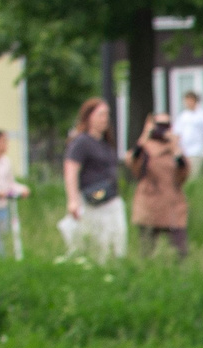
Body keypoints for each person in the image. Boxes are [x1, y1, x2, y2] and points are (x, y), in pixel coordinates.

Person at [61, 98, 127, 261]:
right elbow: (71, 171)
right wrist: (72, 200)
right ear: (89, 117)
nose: (105, 118)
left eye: (107, 114)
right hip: (94, 198)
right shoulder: (81, 142)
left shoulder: (105, 143)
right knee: (99, 241)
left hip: (111, 197)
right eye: (101, 114)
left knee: (118, 236)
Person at [130, 114, 192, 258]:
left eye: (166, 125)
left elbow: (183, 173)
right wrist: (144, 138)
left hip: (172, 203)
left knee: (180, 250)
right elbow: (134, 164)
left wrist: (175, 149)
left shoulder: (174, 147)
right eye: (159, 125)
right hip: (150, 202)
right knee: (146, 249)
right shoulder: (145, 147)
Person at [173, 89, 203, 168]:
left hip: (197, 152)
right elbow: (177, 135)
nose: (187, 103)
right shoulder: (182, 116)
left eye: (190, 100)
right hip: (183, 153)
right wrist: (175, 149)